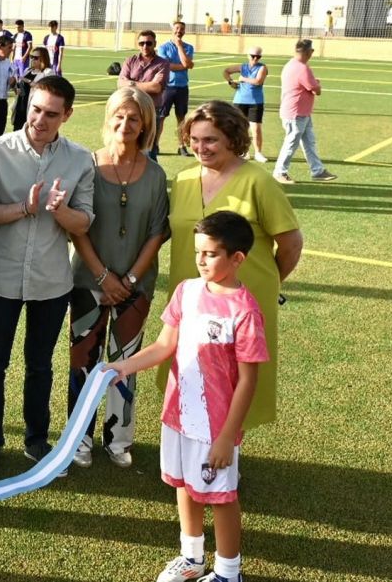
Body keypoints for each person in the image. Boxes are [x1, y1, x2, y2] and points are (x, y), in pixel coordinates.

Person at [108, 210, 269, 582]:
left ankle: (228, 573)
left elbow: (248, 381)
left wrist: (227, 437)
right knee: (184, 485)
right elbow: (164, 345)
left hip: (215, 428)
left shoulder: (244, 311)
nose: (201, 260)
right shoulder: (186, 291)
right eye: (198, 252)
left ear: (237, 258)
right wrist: (122, 367)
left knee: (222, 497)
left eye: (210, 254)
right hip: (178, 416)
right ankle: (192, 558)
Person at [0, 75, 94, 479]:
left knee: (40, 365)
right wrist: (24, 207)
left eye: (51, 114)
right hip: (2, 277)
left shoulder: (80, 159)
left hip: (51, 281)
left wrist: (60, 210)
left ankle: (36, 440)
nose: (39, 120)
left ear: (67, 115)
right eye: (35, 109)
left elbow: (84, 221)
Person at [166, 101, 303, 445]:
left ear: (232, 138)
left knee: (232, 379)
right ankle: (192, 452)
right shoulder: (183, 179)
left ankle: (227, 456)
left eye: (210, 139)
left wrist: (266, 284)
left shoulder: (258, 182)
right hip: (191, 300)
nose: (201, 147)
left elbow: (291, 243)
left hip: (240, 304)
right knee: (191, 373)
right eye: (194, 139)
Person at [67, 87, 169, 470]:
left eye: (134, 118)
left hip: (135, 288)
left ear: (145, 125)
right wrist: (103, 277)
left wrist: (128, 280)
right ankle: (79, 438)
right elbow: (77, 228)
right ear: (108, 119)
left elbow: (157, 233)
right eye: (119, 116)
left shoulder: (155, 174)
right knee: (83, 362)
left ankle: (118, 438)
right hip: (87, 282)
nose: (125, 124)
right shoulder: (87, 166)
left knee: (125, 363)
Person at [273, 39, 337, 183]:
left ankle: (317, 170)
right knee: (291, 143)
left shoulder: (291, 65)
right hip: (295, 113)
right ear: (309, 52)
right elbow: (316, 90)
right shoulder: (302, 68)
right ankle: (279, 172)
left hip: (301, 113)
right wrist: (317, 84)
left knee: (309, 142)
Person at [118, 29, 170, 157]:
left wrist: (131, 83)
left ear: (155, 44)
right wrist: (146, 85)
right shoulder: (130, 61)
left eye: (148, 43)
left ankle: (152, 170)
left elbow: (156, 87)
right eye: (142, 43)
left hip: (151, 110)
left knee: (149, 149)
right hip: (131, 109)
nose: (145, 46)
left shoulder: (162, 63)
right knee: (128, 145)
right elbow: (120, 84)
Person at [157, 21, 196, 157]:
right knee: (161, 117)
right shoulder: (163, 47)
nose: (179, 31)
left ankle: (181, 146)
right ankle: (155, 144)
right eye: (177, 28)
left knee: (181, 118)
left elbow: (187, 63)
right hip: (167, 87)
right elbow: (167, 66)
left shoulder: (188, 47)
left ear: (184, 31)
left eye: (182, 29)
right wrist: (184, 65)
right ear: (172, 30)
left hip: (182, 87)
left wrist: (179, 46)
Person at [223, 47, 268, 162]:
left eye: (258, 57)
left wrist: (243, 78)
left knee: (255, 128)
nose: (255, 58)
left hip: (255, 101)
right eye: (253, 56)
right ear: (248, 56)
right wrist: (231, 82)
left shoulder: (262, 68)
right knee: (240, 128)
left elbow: (258, 81)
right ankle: (244, 151)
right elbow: (226, 71)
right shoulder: (242, 67)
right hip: (240, 100)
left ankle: (258, 153)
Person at [11, 47, 55, 133]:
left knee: (30, 133)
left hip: (33, 107)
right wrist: (14, 85)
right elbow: (20, 90)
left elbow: (49, 89)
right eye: (31, 57)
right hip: (20, 106)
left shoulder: (48, 72)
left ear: (43, 59)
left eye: (36, 58)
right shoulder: (27, 70)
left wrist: (30, 82)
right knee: (18, 132)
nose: (32, 60)